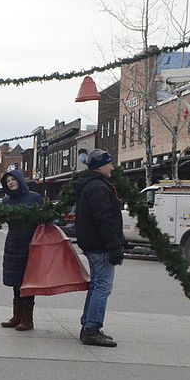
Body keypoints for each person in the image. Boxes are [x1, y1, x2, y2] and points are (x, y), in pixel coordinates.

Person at [74, 149, 124, 347]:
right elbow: (104, 219)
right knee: (102, 286)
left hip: (92, 243)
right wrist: (114, 245)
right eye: (109, 163)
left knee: (96, 285)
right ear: (100, 166)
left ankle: (89, 324)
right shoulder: (98, 187)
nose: (112, 167)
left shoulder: (89, 185)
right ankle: (91, 328)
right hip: (100, 245)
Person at [0, 168, 43, 331]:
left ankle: (27, 319)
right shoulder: (6, 202)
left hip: (31, 243)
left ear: (19, 180)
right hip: (13, 242)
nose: (10, 183)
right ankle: (16, 316)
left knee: (28, 281)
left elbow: (43, 219)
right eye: (7, 181)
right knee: (16, 281)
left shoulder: (34, 198)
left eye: (13, 179)